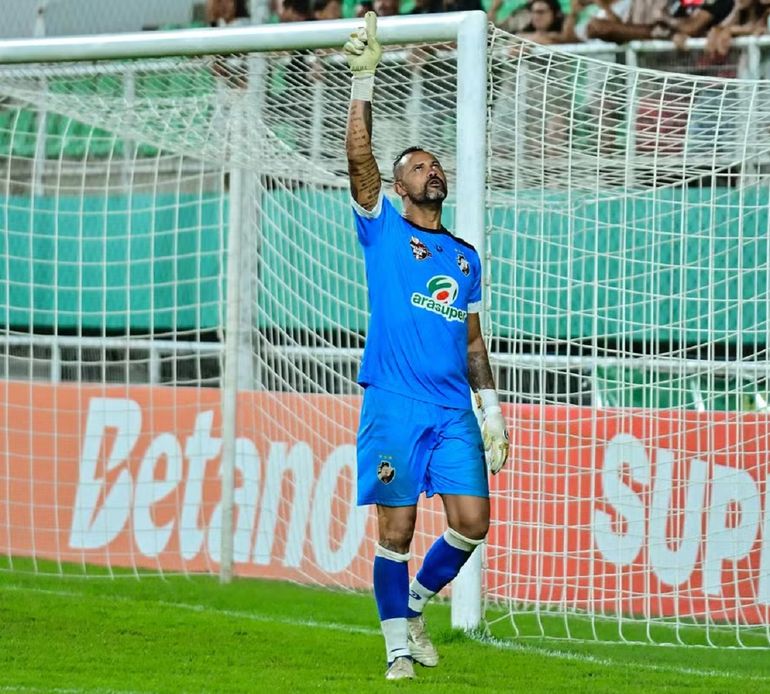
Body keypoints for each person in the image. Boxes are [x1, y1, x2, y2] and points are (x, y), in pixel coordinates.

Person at [342, 12, 510, 682]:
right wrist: (364, 80)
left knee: (473, 522)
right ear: (398, 187)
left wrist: (492, 411)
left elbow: (472, 342)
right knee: (397, 532)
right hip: (394, 402)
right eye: (418, 166)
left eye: (435, 164)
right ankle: (396, 651)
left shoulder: (465, 257)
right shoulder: (382, 228)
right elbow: (359, 161)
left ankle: (414, 607)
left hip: (452, 410)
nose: (431, 170)